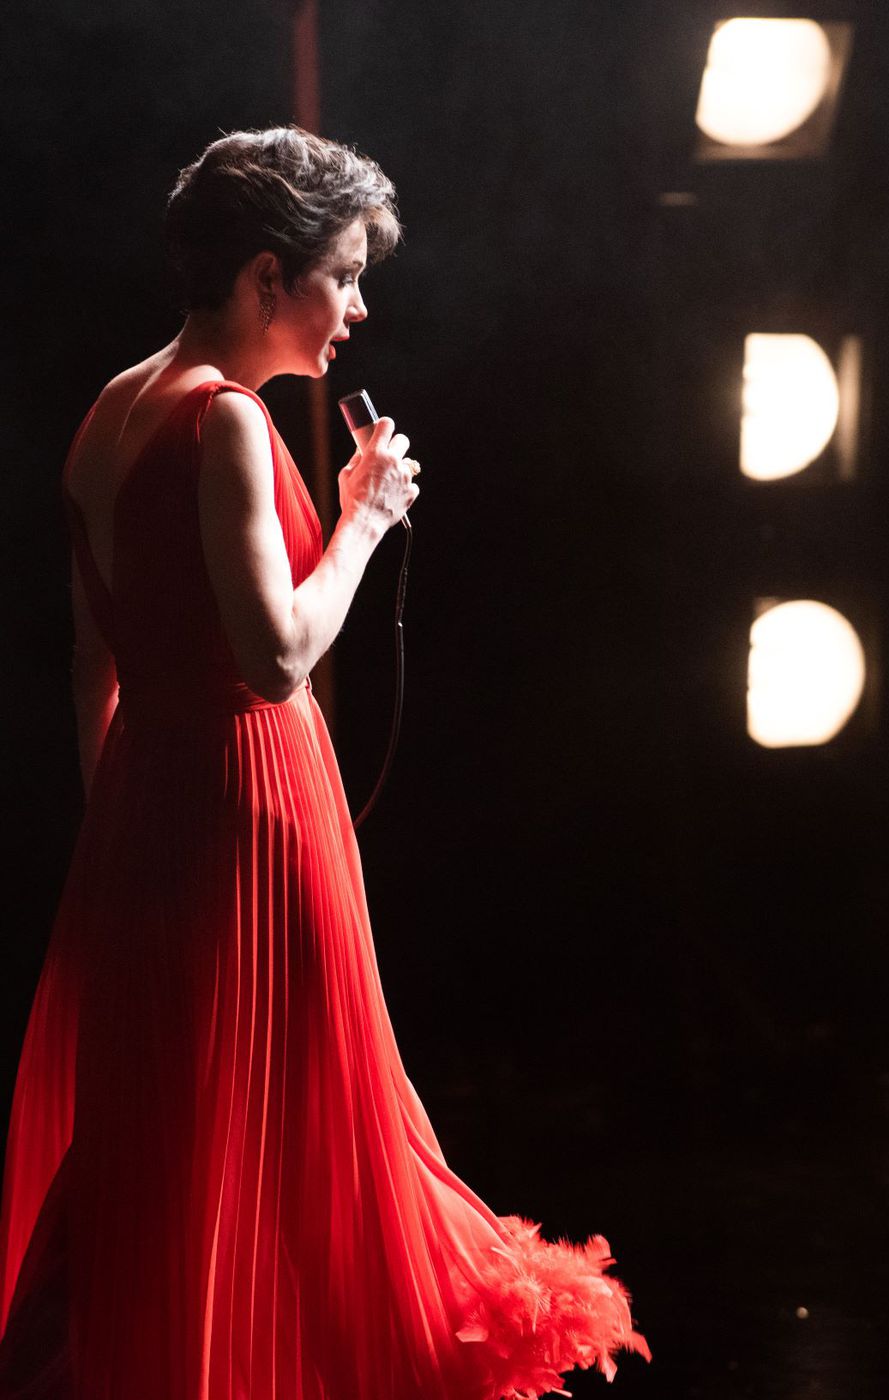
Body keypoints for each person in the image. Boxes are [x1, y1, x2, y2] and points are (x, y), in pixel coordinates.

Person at [0, 126, 649, 1400]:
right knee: (300, 1121)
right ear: (263, 277)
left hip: (148, 819)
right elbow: (277, 657)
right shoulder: (225, 423)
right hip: (250, 819)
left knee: (177, 1133)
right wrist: (360, 516)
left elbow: (94, 663)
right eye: (343, 276)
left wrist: (118, 834)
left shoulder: (108, 410)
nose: (355, 308)